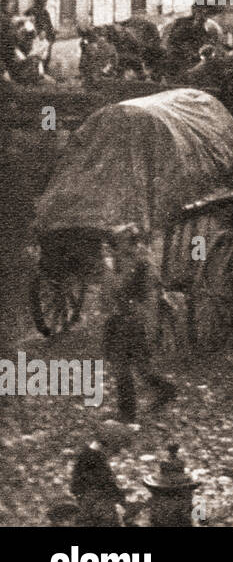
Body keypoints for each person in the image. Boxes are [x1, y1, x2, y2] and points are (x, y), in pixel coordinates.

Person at [102, 224, 177, 422]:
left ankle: (127, 413)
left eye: (120, 242)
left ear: (130, 242)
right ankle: (166, 390)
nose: (115, 246)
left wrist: (108, 271)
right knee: (141, 368)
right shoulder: (128, 259)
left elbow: (122, 287)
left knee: (122, 366)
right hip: (124, 318)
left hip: (132, 320)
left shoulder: (137, 260)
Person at [70, 421, 140, 526]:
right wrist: (121, 503)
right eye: (116, 448)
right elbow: (98, 489)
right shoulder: (90, 460)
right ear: (108, 446)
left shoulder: (93, 455)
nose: (117, 452)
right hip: (97, 512)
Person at [26, 0, 55, 72]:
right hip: (35, 37)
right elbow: (28, 25)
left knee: (46, 52)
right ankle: (37, 70)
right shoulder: (31, 11)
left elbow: (50, 25)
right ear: (38, 1)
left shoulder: (45, 12)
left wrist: (52, 35)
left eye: (45, 0)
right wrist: (39, 33)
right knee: (36, 54)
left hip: (45, 37)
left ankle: (44, 68)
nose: (45, 2)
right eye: (43, 0)